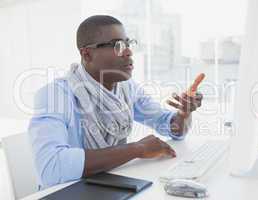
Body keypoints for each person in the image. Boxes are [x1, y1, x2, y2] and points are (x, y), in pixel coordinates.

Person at [28, 15, 203, 188]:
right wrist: (137, 149)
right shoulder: (55, 95)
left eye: (128, 43)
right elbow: (51, 168)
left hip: (110, 187)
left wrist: (183, 113)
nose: (128, 51)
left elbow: (173, 128)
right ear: (87, 54)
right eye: (117, 45)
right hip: (69, 191)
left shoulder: (127, 88)